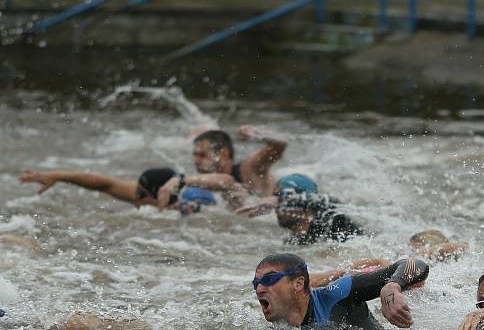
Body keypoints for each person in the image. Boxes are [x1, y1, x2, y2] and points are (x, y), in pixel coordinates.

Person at [253, 253, 429, 330]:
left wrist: (391, 287)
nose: (259, 289)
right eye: (256, 283)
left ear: (298, 284)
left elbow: (415, 264)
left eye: (268, 280)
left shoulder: (335, 294)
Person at [156, 126, 288, 210]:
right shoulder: (202, 181)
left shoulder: (249, 168)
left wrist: (258, 133)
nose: (195, 161)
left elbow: (281, 144)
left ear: (223, 153)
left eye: (202, 155)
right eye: (195, 155)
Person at [18, 167, 216, 214]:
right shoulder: (151, 200)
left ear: (163, 195)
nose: (134, 199)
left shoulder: (191, 205)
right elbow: (104, 184)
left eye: (140, 195)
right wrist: (58, 176)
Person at [275, 191, 364, 245]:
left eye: (288, 207)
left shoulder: (325, 241)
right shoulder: (294, 240)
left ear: (307, 214)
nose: (279, 210)